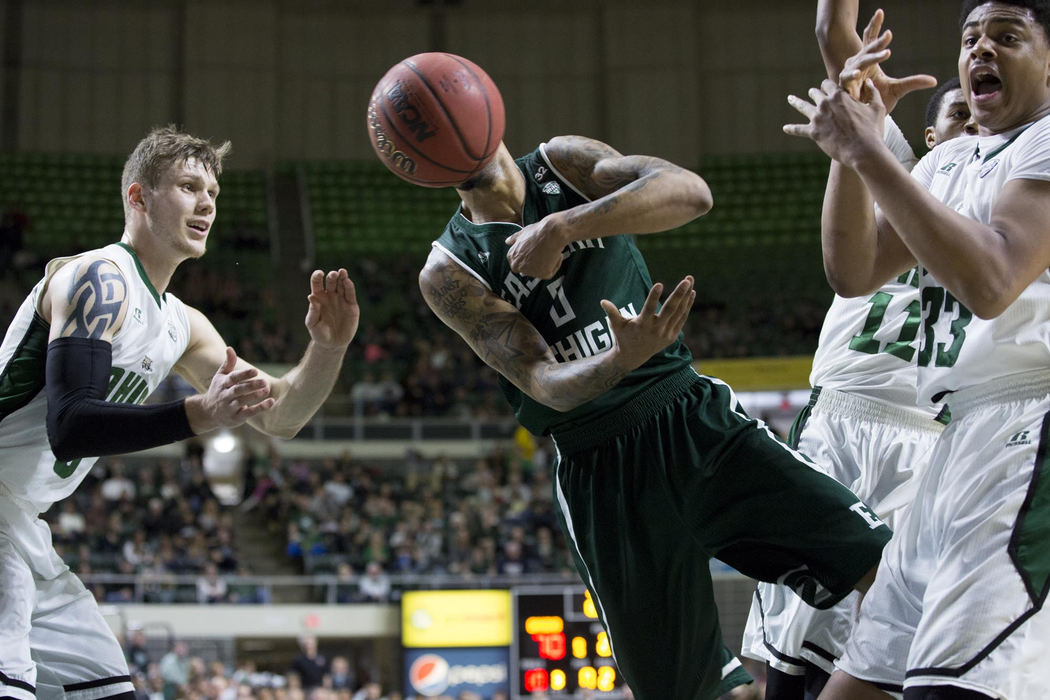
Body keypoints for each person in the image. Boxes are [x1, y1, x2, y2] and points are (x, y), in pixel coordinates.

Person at [405, 61, 893, 700]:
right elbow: (540, 381)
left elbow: (691, 193)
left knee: (886, 570)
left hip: (690, 420)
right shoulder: (448, 270)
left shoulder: (563, 163)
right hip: (600, 468)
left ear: (484, 104)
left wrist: (565, 225)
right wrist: (617, 361)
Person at [0, 126, 359, 700]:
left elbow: (279, 418)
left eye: (213, 192)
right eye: (189, 186)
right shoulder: (101, 277)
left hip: (24, 523)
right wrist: (198, 414)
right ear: (138, 197)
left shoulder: (182, 324)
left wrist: (328, 348)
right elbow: (69, 427)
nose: (207, 203)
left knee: (108, 688)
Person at [785, 2, 1050, 697]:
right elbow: (855, 270)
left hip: (1032, 429)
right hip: (955, 437)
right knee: (860, 686)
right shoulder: (952, 159)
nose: (981, 50)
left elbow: (992, 282)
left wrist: (873, 151)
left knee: (951, 689)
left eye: (1007, 37)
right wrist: (853, 152)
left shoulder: (1047, 140)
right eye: (971, 39)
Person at [740, 3, 977, 698]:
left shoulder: (1008, 211)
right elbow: (835, 41)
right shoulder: (901, 170)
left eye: (976, 117)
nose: (968, 127)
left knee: (893, 660)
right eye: (954, 117)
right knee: (794, 655)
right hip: (843, 422)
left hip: (931, 444)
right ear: (928, 135)